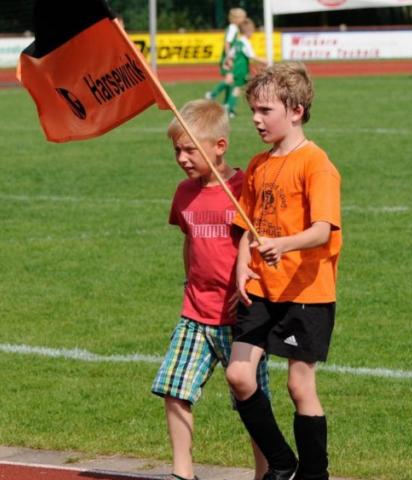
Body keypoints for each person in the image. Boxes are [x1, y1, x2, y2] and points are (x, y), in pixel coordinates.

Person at [225, 62, 342, 480]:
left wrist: (283, 244)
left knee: (299, 386)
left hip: (306, 291)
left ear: (295, 111)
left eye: (265, 110)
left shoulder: (316, 164)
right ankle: (281, 461)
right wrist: (242, 265)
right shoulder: (258, 164)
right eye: (253, 110)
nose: (256, 119)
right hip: (262, 288)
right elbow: (247, 224)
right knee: (239, 375)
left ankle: (314, 475)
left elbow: (322, 230)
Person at [151, 99, 271, 480]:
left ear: (220, 146)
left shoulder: (245, 188)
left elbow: (258, 245)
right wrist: (190, 280)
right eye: (177, 151)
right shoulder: (184, 193)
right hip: (195, 312)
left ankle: (265, 472)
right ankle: (183, 473)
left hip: (241, 316)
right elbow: (190, 241)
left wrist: (250, 282)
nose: (182, 158)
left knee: (252, 401)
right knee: (174, 388)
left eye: (190, 150)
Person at [223, 18, 266, 118]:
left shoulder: (238, 42)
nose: (253, 33)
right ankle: (228, 108)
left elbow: (230, 54)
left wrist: (228, 62)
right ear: (248, 31)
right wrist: (264, 61)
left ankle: (229, 108)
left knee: (242, 87)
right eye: (252, 31)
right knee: (241, 88)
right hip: (242, 69)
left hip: (237, 69)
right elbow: (251, 56)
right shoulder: (246, 42)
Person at [205, 8, 247, 105]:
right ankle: (212, 94)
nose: (244, 20)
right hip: (228, 58)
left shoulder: (234, 28)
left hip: (231, 58)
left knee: (231, 82)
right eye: (243, 17)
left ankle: (227, 105)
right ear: (236, 18)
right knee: (229, 80)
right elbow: (227, 43)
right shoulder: (233, 28)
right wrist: (228, 58)